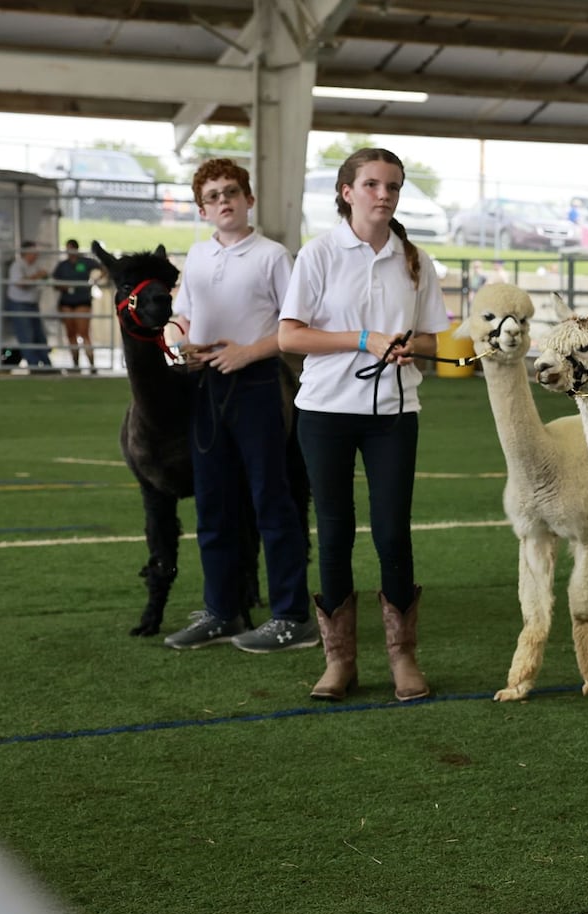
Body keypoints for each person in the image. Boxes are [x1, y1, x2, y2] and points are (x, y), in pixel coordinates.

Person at [278, 147, 449, 703]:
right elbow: (290, 337)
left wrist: (407, 347)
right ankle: (340, 661)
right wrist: (360, 338)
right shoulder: (319, 253)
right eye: (372, 184)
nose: (384, 195)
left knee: (393, 531)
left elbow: (431, 338)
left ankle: (403, 657)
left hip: (394, 413)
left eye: (393, 186)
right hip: (324, 409)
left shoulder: (415, 260)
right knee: (333, 531)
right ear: (347, 192)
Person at [161, 157, 316, 654]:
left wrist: (248, 352)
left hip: (258, 386)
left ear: (248, 199)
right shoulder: (198, 255)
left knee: (272, 503)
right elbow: (181, 315)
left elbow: (297, 330)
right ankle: (221, 611)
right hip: (207, 386)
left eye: (231, 192)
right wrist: (173, 338)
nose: (223, 201)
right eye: (212, 196)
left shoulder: (273, 256)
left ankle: (292, 617)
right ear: (202, 209)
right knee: (212, 504)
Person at [51, 239, 101, 372]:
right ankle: (75, 363)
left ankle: (91, 363)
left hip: (82, 300)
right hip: (67, 301)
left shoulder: (86, 262)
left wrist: (97, 279)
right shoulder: (63, 265)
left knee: (84, 332)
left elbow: (102, 268)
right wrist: (62, 286)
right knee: (71, 333)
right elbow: (54, 282)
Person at [4, 241, 53, 370]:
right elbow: (20, 284)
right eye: (33, 252)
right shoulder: (17, 266)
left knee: (39, 336)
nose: (36, 255)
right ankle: (34, 365)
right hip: (19, 305)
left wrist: (44, 277)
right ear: (25, 253)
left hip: (32, 305)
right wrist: (38, 276)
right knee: (26, 336)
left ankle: (47, 364)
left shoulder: (35, 266)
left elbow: (45, 279)